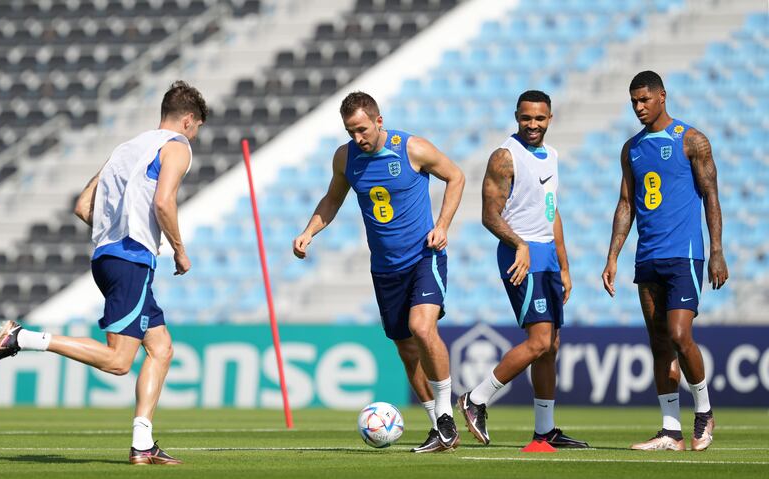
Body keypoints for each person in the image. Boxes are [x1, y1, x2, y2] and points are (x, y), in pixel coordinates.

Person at [0, 80, 208, 465]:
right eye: (198, 127)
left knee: (161, 348)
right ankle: (23, 338)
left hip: (107, 255)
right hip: (132, 258)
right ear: (189, 120)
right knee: (119, 361)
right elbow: (164, 201)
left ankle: (143, 445)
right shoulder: (177, 147)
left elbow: (82, 205)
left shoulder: (125, 149)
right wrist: (179, 252)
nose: (195, 134)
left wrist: (113, 233)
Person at [293, 91, 465, 452]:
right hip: (385, 269)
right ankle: (438, 427)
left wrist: (444, 224)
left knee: (421, 327)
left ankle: (447, 414)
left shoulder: (412, 148)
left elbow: (456, 177)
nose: (358, 138)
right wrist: (309, 232)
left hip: (424, 255)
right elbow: (333, 198)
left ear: (378, 121)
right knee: (405, 348)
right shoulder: (345, 157)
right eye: (350, 131)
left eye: (362, 129)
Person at [602, 71, 727, 451]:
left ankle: (704, 411)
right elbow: (626, 204)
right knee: (659, 344)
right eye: (634, 101)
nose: (639, 107)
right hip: (648, 256)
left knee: (678, 334)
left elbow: (711, 196)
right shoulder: (632, 148)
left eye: (644, 99)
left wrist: (717, 250)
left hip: (685, 254)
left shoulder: (691, 140)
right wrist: (612, 256)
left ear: (662, 97)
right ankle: (670, 431)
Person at [456, 90, 588, 449]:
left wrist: (564, 265)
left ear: (550, 119)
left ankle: (545, 432)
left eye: (539, 118)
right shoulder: (504, 157)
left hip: (545, 256)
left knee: (551, 346)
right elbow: (489, 215)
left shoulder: (552, 156)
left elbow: (551, 211)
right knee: (539, 340)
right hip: (521, 256)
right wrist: (520, 245)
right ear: (517, 116)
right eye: (526, 118)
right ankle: (476, 399)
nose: (532, 125)